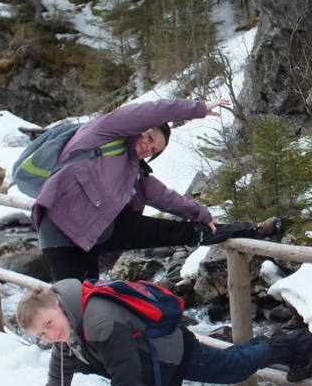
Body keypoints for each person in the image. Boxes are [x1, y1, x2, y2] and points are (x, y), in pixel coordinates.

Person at [30, 97, 279, 282]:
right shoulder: (104, 131)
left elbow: (164, 196)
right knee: (75, 307)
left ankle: (246, 229)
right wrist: (199, 108)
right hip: (62, 228)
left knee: (82, 308)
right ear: (141, 127)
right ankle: (247, 230)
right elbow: (153, 109)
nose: (147, 147)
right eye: (149, 137)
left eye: (153, 150)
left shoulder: (133, 171)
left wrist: (201, 212)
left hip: (90, 236)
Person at [16, 279, 312, 386]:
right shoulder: (70, 319)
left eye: (48, 324)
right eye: (41, 335)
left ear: (56, 304)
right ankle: (280, 342)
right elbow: (63, 356)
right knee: (231, 361)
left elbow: (124, 371)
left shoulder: (98, 322)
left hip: (173, 354)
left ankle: (299, 343)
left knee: (235, 368)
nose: (50, 334)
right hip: (159, 353)